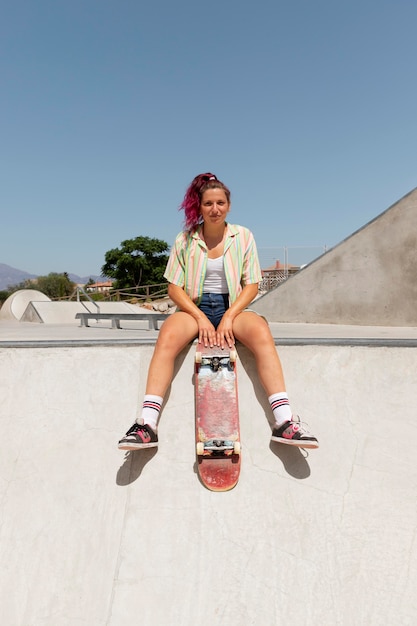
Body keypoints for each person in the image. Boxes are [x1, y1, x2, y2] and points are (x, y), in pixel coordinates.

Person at [118, 173, 318, 451]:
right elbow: (175, 289)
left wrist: (228, 317)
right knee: (167, 335)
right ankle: (146, 425)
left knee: (261, 331)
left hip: (232, 306)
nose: (215, 209)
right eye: (208, 203)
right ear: (199, 207)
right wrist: (200, 318)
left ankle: (285, 422)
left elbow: (251, 285)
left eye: (220, 203)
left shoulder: (243, 236)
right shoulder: (185, 240)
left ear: (229, 205)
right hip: (193, 307)